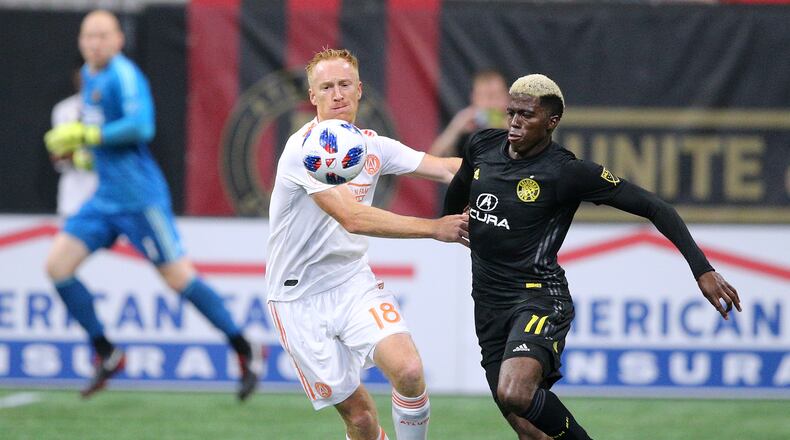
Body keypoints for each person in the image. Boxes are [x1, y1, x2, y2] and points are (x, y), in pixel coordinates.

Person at [443, 74, 741, 440]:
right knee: (529, 431)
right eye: (512, 113)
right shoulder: (482, 145)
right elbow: (456, 195)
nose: (515, 123)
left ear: (552, 121)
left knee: (514, 391)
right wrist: (451, 222)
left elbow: (655, 207)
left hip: (538, 298)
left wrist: (702, 269)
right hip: (488, 305)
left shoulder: (567, 172)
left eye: (527, 115)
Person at [43, 10, 259, 400]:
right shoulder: (90, 75)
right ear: (80, 41)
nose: (94, 43)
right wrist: (85, 156)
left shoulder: (124, 75)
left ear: (118, 40)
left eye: (102, 35)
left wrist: (87, 134)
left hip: (140, 199)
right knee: (58, 267)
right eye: (88, 36)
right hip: (105, 198)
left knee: (178, 278)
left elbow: (142, 127)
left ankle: (244, 347)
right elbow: (106, 144)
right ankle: (107, 352)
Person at [266, 48, 468, 440]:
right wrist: (434, 228)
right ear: (312, 96)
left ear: (359, 90)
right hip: (298, 300)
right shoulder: (305, 151)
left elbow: (446, 168)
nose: (337, 94)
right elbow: (352, 217)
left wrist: (512, 170)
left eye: (345, 84)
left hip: (352, 283)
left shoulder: (370, 145)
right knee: (360, 420)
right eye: (327, 87)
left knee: (409, 371)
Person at [50, 60, 98, 216]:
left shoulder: (114, 107)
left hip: (107, 194)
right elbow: (58, 157)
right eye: (82, 74)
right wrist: (77, 155)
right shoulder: (63, 110)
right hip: (73, 199)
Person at [429, 69, 509, 158]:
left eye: (497, 96)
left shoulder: (515, 124)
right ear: (474, 98)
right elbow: (433, 157)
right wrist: (455, 129)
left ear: (507, 96)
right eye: (485, 97)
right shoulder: (465, 128)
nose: (491, 104)